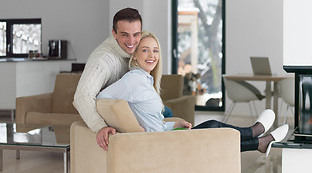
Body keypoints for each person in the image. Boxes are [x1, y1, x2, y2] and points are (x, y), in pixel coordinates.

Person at [97, 31, 289, 155]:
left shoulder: (146, 80)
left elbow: (153, 124)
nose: (151, 55)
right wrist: (126, 125)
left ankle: (259, 141)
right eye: (145, 50)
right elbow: (102, 98)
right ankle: (256, 133)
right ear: (135, 55)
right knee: (213, 127)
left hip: (162, 138)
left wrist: (175, 124)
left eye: (155, 50)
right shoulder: (133, 79)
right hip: (160, 145)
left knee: (213, 136)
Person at [74, 7, 143, 151]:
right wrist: (101, 127)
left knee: (165, 112)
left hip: (132, 108)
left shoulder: (137, 48)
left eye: (136, 34)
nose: (131, 41)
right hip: (115, 118)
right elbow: (82, 96)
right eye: (125, 35)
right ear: (114, 33)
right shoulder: (103, 60)